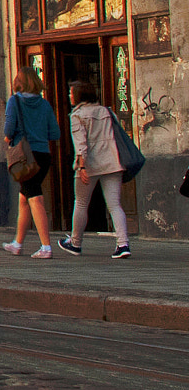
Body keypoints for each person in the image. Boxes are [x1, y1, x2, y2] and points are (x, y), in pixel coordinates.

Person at [59, 80, 132, 259]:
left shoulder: (77, 115)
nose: (69, 95)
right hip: (112, 162)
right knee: (115, 205)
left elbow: (80, 143)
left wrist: (81, 166)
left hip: (90, 164)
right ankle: (123, 244)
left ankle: (75, 243)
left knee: (82, 203)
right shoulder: (107, 111)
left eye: (71, 92)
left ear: (79, 94)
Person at [0, 70, 60, 257]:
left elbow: (9, 128)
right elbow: (55, 133)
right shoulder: (45, 104)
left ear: (19, 83)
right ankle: (17, 243)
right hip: (43, 155)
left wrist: (9, 138)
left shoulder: (14, 101)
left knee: (35, 198)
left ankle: (46, 247)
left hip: (25, 157)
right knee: (24, 198)